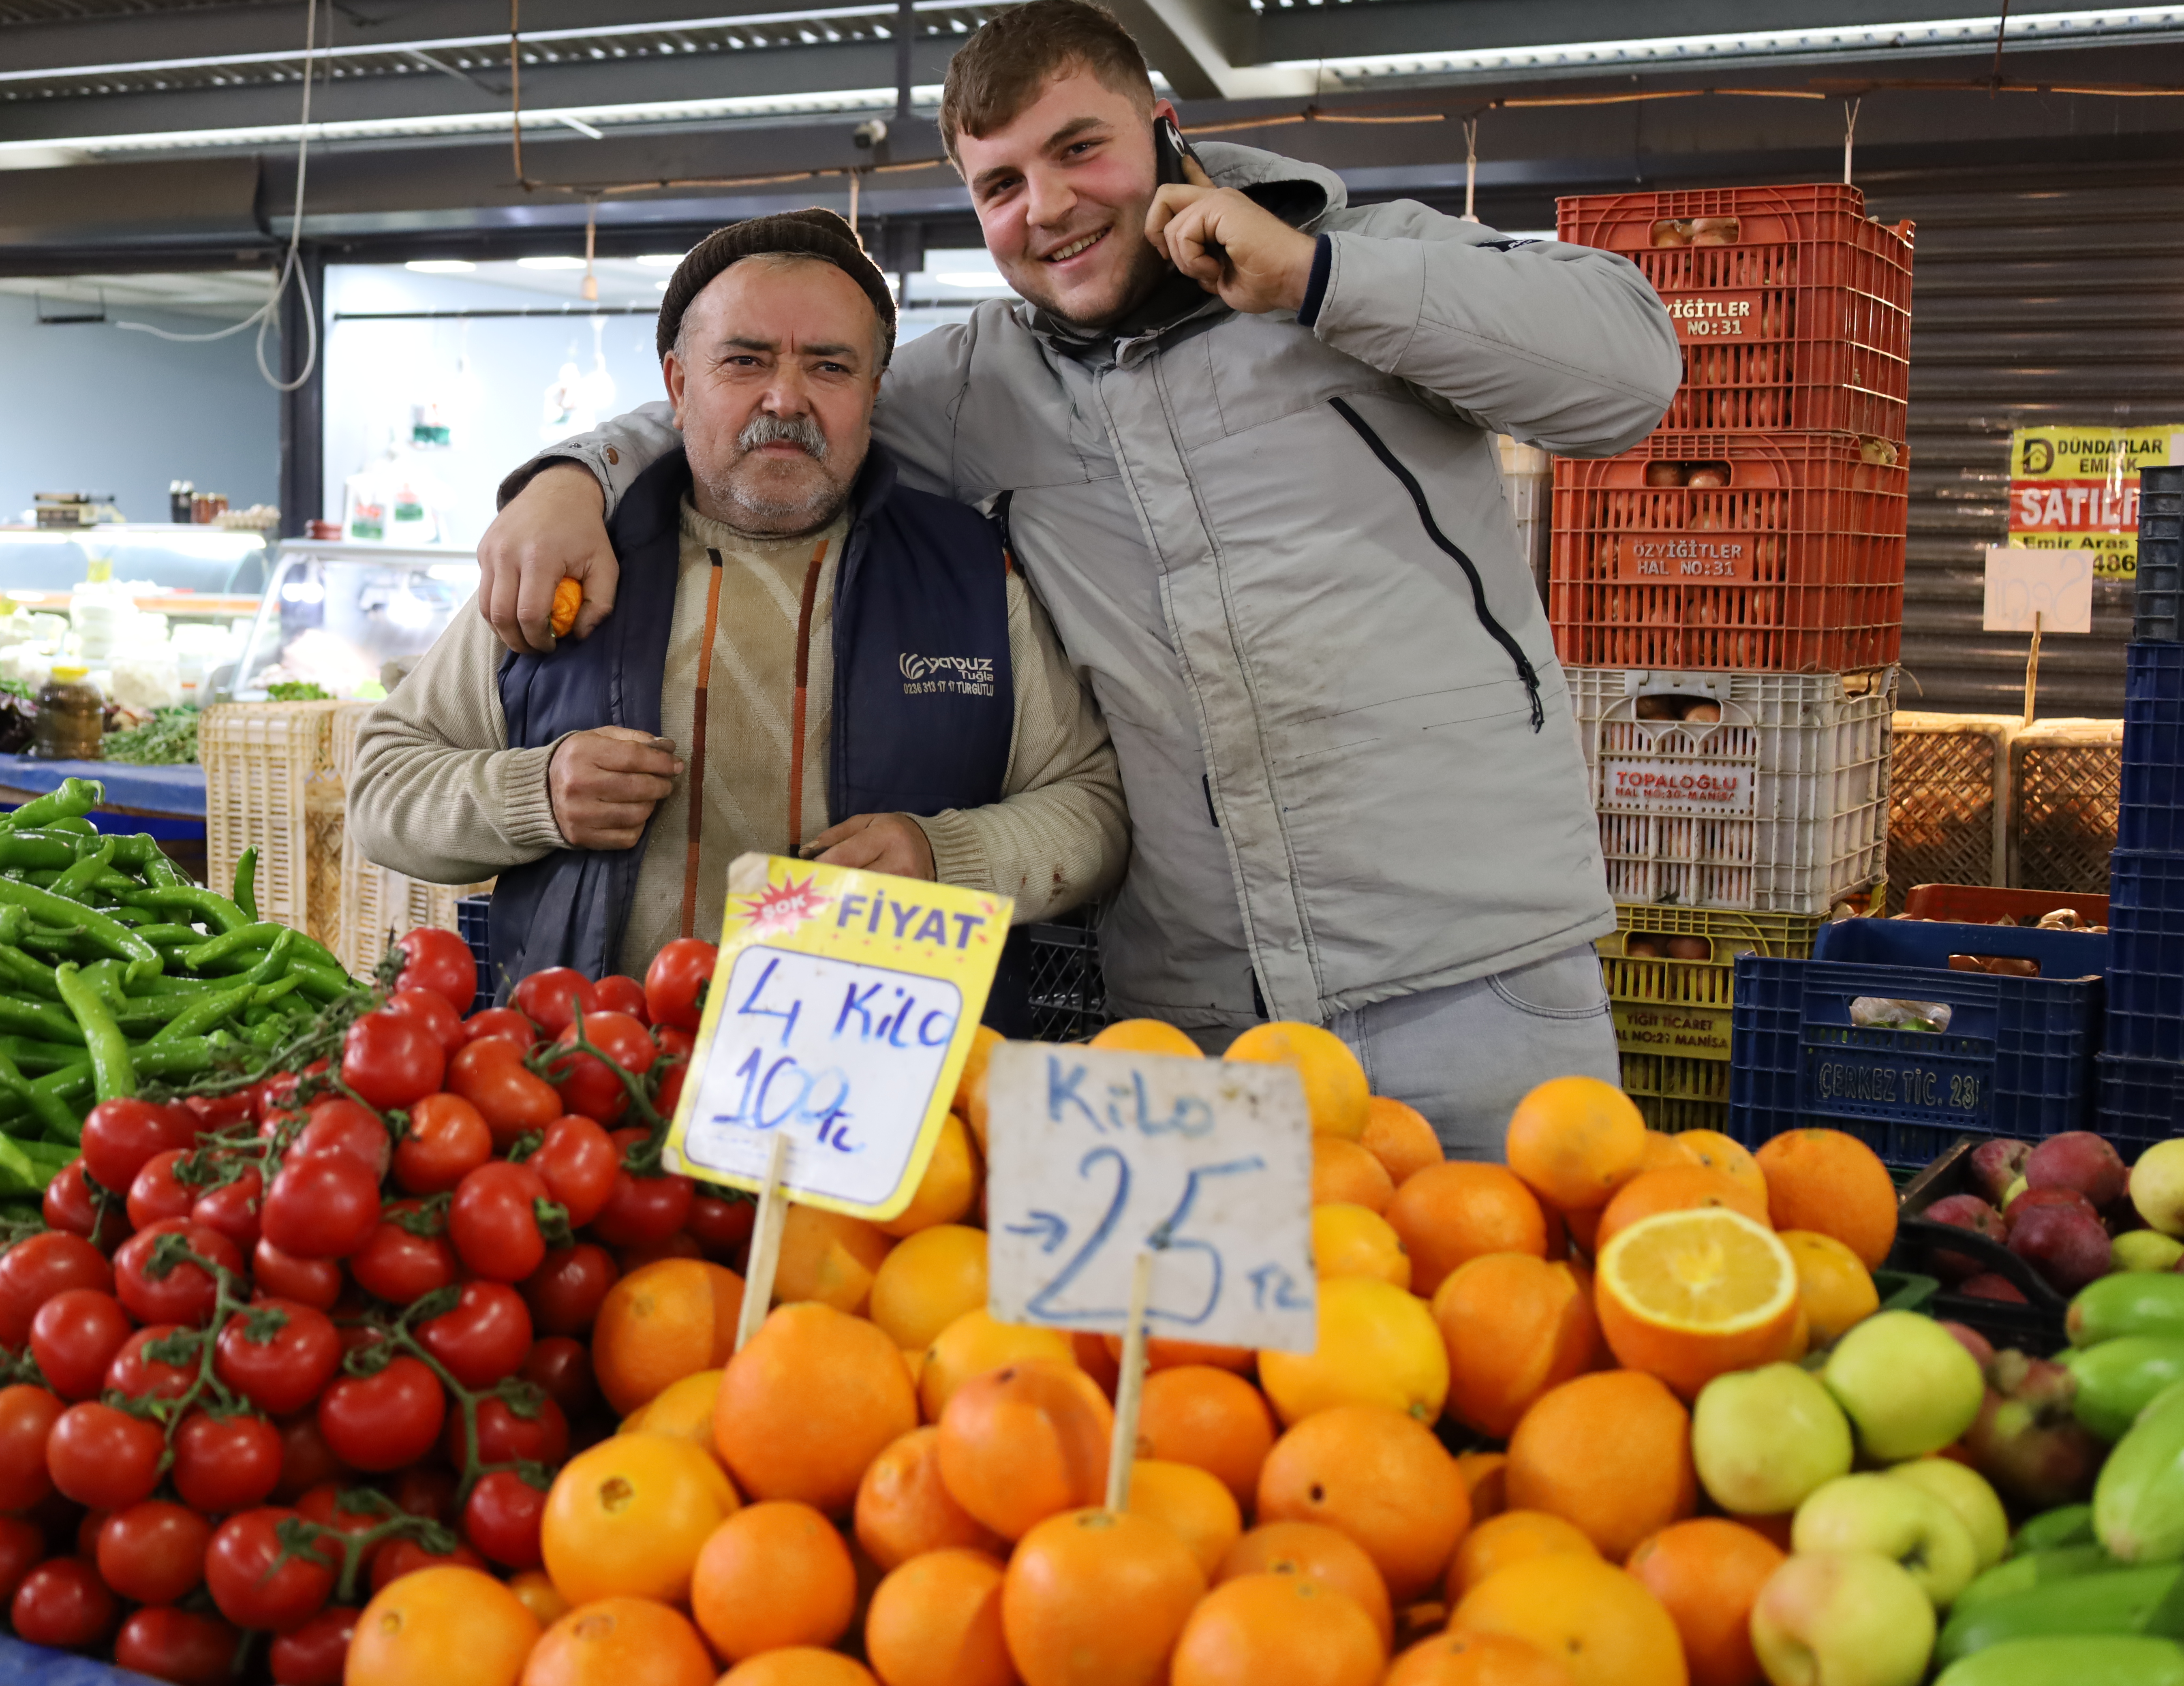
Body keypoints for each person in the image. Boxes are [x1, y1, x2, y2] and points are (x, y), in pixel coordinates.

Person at [470, 1, 1682, 1156]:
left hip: (1473, 987)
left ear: (1159, 126)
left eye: (1078, 150)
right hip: (1193, 1013)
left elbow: (1630, 372)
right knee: (1227, 1373)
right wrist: (572, 473)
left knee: (1515, 1333)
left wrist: (1315, 280)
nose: (1046, 208)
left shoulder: (1369, 263)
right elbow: (767, 405)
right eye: (999, 184)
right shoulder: (968, 393)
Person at [349, 208, 1127, 997]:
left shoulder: (970, 578)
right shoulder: (572, 563)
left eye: (829, 366)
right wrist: (536, 796)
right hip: (593, 1079)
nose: (786, 399)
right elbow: (383, 789)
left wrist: (945, 857)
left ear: (873, 391)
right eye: (746, 361)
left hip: (889, 1087)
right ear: (679, 387)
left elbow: (1094, 807)